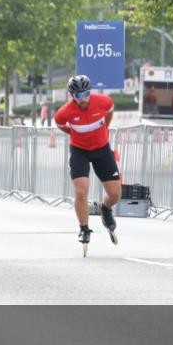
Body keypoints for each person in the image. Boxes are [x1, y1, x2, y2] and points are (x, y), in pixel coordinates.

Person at [54, 74, 121, 255]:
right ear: (72, 96)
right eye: (78, 95)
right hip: (79, 151)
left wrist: (103, 130)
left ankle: (105, 208)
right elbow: (60, 124)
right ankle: (84, 228)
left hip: (102, 150)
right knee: (82, 190)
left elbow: (109, 115)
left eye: (86, 93)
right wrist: (73, 133)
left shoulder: (104, 102)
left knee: (115, 194)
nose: (83, 98)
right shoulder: (64, 112)